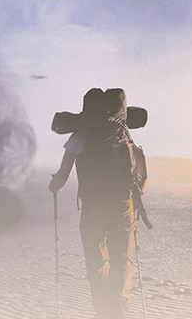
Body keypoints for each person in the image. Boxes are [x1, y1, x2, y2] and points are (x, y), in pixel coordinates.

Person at [49, 88, 138, 319]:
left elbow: (62, 175)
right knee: (122, 259)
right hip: (122, 204)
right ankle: (118, 311)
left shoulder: (80, 135)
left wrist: (54, 186)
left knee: (96, 260)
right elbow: (137, 169)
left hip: (93, 207)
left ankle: (103, 311)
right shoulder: (123, 131)